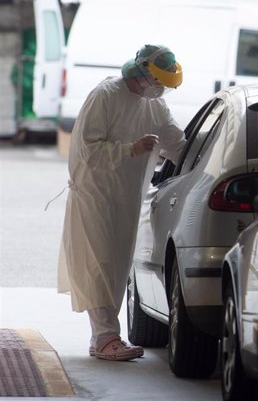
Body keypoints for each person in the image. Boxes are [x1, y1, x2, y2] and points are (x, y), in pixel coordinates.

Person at [58, 44, 186, 361]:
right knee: (99, 262)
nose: (160, 91)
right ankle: (104, 338)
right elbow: (86, 151)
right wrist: (131, 148)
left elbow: (175, 143)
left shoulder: (153, 106)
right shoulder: (106, 95)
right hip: (95, 194)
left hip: (127, 196)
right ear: (142, 73)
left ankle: (108, 337)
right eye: (159, 83)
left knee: (117, 265)